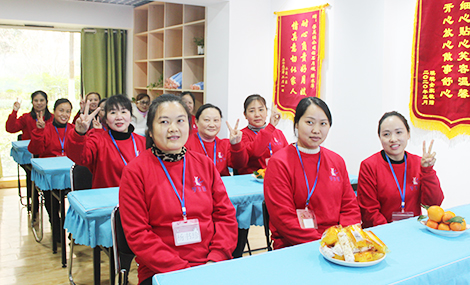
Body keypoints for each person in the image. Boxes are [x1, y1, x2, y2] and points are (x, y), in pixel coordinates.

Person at [119, 94, 238, 285]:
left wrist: (216, 258)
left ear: (189, 126)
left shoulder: (204, 164)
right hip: (162, 271)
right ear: (150, 130)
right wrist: (184, 272)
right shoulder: (135, 171)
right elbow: (138, 234)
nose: (173, 128)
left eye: (180, 121)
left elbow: (225, 216)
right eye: (164, 122)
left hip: (211, 265)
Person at [264, 97, 361, 249]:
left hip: (338, 244)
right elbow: (284, 219)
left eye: (323, 123)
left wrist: (344, 239)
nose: (316, 130)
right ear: (296, 124)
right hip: (295, 245)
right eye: (309, 122)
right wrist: (323, 244)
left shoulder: (337, 161)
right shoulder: (279, 163)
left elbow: (350, 207)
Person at [356, 111, 444, 228]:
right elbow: (369, 211)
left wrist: (427, 171)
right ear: (380, 137)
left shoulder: (419, 163)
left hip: (413, 230)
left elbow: (433, 204)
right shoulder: (369, 166)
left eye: (399, 132)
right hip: (380, 232)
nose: (393, 139)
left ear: (408, 134)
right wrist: (390, 232)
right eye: (386, 134)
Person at [65, 94, 146, 189]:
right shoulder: (98, 140)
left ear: (131, 117)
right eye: (113, 113)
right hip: (107, 200)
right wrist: (79, 133)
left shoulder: (142, 142)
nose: (119, 117)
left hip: (136, 198)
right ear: (106, 120)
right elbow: (79, 157)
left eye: (123, 112)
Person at [28, 98, 73, 243]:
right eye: (61, 110)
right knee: (51, 198)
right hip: (51, 174)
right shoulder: (45, 127)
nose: (64, 114)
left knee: (79, 194)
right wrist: (39, 131)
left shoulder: (73, 129)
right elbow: (34, 150)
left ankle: (74, 229)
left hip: (68, 173)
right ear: (54, 111)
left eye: (68, 111)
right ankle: (56, 223)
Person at [6, 90, 54, 217]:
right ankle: (34, 204)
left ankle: (52, 206)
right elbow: (10, 128)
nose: (39, 103)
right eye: (36, 100)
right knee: (31, 173)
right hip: (30, 157)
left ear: (46, 102)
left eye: (41, 100)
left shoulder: (53, 118)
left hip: (49, 156)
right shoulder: (26, 117)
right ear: (32, 102)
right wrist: (14, 111)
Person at [185, 103, 245, 176]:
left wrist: (236, 145)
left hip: (223, 184)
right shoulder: (186, 143)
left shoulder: (225, 144)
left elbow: (239, 165)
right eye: (207, 120)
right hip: (198, 185)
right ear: (197, 122)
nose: (212, 125)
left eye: (216, 120)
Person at [237, 94, 288, 174]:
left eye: (261, 110)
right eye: (252, 111)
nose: (257, 115)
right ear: (245, 115)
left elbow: (287, 156)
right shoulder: (242, 135)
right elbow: (255, 153)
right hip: (252, 180)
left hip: (277, 177)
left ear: (267, 112)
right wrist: (270, 127)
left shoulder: (278, 133)